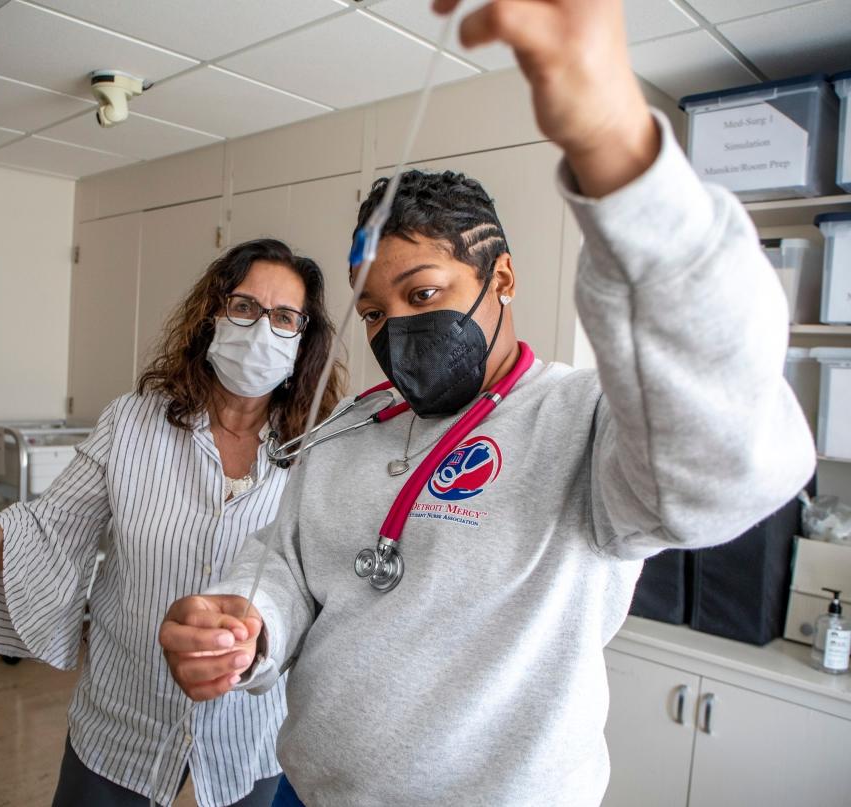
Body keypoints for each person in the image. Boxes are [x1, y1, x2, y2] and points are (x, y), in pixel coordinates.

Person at [159, 2, 817, 805]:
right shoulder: (354, 423)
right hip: (312, 791)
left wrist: (619, 151)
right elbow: (290, 565)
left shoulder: (585, 424)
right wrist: (248, 621)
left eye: (424, 292)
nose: (395, 329)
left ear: (502, 279)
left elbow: (731, 463)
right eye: (373, 311)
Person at [0, 238, 347, 807]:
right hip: (123, 718)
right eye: (244, 307)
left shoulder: (319, 451)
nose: (261, 330)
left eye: (284, 317)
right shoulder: (132, 423)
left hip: (249, 730)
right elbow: (54, 527)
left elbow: (321, 591)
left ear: (304, 339)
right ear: (213, 314)